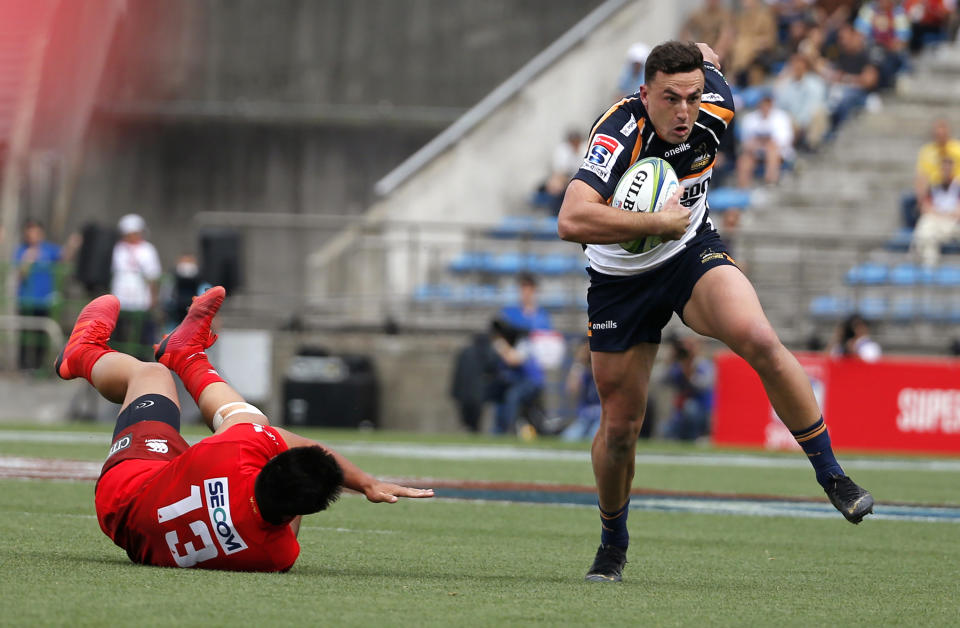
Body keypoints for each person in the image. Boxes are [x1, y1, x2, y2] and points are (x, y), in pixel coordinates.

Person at [557, 40, 873, 584]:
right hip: (619, 280)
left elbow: (712, 64)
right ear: (644, 92)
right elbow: (570, 220)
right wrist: (655, 222)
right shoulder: (617, 134)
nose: (685, 111)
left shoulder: (717, 105)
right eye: (670, 98)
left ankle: (833, 477)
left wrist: (707, 56)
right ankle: (613, 543)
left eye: (693, 96)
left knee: (759, 337)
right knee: (622, 428)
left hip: (688, 253)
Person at [54, 286, 433, 571]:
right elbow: (285, 520)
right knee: (252, 426)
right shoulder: (277, 555)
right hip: (152, 519)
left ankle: (83, 353)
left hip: (128, 490)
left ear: (269, 467)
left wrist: (364, 481)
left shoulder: (236, 452)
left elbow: (289, 442)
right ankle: (186, 354)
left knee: (151, 374)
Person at [14, 220, 63, 371]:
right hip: (26, 299)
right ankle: (23, 366)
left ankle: (39, 367)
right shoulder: (22, 250)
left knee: (42, 335)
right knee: (25, 334)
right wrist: (27, 260)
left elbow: (64, 257)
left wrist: (75, 244)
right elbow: (20, 274)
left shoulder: (49, 249)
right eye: (29, 232)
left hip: (45, 300)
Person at [111, 213, 162, 360]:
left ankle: (144, 362)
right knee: (118, 333)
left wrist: (153, 297)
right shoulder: (118, 249)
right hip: (120, 296)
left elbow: (153, 275)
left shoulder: (148, 249)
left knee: (144, 334)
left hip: (141, 298)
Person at [735, 92, 796, 187]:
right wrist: (756, 145)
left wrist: (763, 143)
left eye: (768, 103)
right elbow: (745, 142)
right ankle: (743, 188)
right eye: (763, 103)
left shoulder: (781, 117)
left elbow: (784, 141)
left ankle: (770, 183)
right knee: (744, 158)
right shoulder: (750, 119)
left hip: (779, 153)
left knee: (772, 149)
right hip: (756, 152)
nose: (765, 106)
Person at [661, 335, 714, 441]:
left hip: (702, 411)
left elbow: (703, 386)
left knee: (690, 407)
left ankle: (694, 437)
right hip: (679, 413)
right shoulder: (677, 365)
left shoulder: (703, 365)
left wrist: (689, 370)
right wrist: (670, 361)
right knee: (663, 430)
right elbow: (660, 381)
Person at [912, 156, 960, 267]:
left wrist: (941, 214)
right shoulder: (934, 187)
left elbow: (958, 212)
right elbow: (925, 208)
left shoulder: (958, 187)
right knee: (926, 229)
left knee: (929, 230)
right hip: (936, 222)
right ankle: (929, 266)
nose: (946, 171)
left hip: (952, 223)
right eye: (944, 168)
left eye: (948, 168)